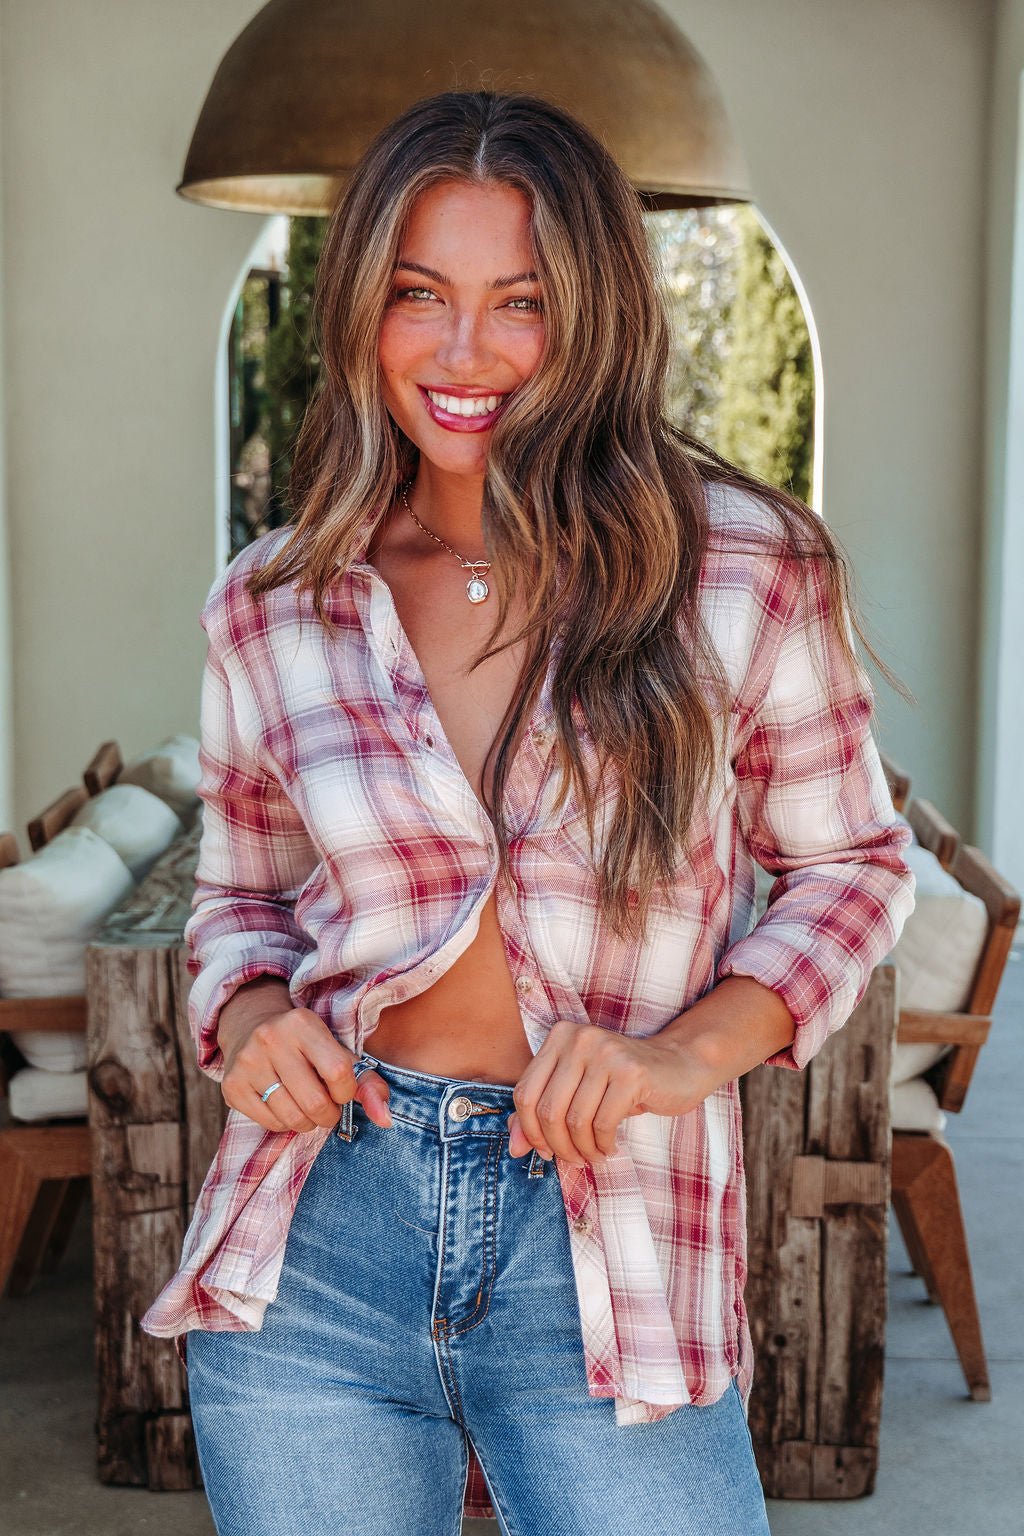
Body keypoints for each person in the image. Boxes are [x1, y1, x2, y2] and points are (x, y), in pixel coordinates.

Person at [142, 90, 915, 1535]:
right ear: (362, 307)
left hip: (611, 1232)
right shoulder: (274, 600)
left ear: (600, 318)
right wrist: (252, 1029)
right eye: (418, 296)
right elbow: (237, 906)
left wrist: (687, 1054)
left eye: (523, 304)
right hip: (319, 1238)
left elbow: (854, 869)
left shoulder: (745, 568)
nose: (462, 353)